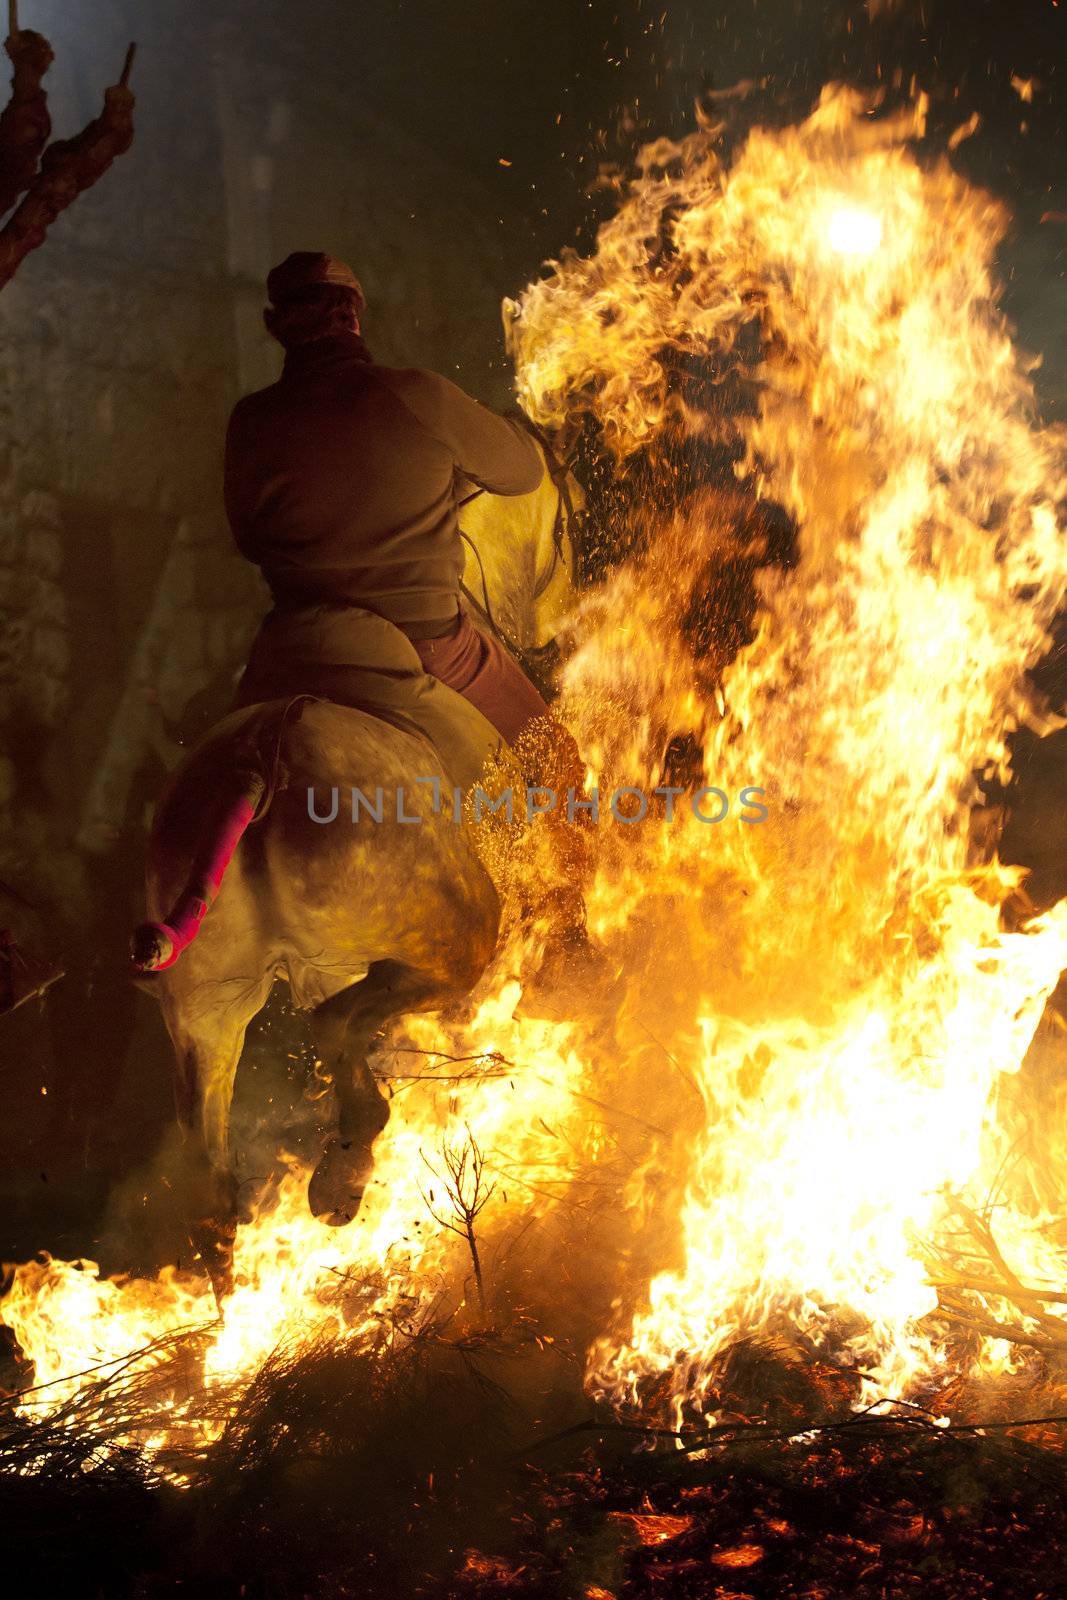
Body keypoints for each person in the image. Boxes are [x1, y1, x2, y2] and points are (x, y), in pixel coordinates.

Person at [224, 251, 553, 760]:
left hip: (294, 648)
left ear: (277, 328)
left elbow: (248, 540)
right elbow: (526, 474)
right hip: (424, 645)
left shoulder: (250, 421)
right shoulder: (419, 395)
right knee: (557, 762)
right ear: (353, 316)